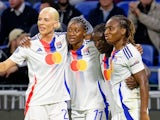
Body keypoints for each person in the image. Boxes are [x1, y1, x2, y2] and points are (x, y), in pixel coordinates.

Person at [0, 7, 70, 120]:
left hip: (59, 102)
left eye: (46, 20)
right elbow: (4, 66)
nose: (41, 23)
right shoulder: (28, 46)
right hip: (37, 103)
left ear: (56, 24)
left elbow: (87, 35)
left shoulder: (64, 40)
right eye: (39, 19)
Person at [104, 15, 150, 120]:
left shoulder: (129, 52)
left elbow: (144, 82)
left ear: (123, 30)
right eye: (106, 29)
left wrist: (143, 113)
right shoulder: (115, 51)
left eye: (110, 28)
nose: (106, 32)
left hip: (130, 110)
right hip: (119, 109)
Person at [66, 16, 108, 120]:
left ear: (85, 32)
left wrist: (135, 48)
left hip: (96, 105)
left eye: (76, 30)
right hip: (76, 108)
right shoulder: (63, 52)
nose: (72, 33)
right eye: (69, 30)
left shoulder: (94, 47)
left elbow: (113, 47)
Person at [128, 0, 160, 65]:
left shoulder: (158, 7)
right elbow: (130, 27)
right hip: (135, 41)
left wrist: (139, 14)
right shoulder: (134, 6)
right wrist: (133, 14)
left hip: (153, 42)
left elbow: (158, 25)